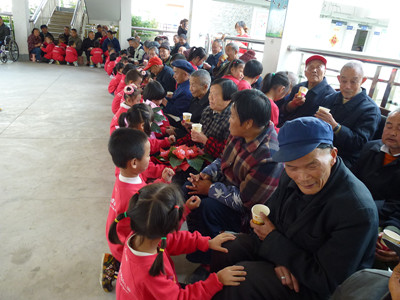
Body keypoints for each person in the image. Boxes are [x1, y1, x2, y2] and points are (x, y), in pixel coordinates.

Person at [210, 116, 378, 300]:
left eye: (312, 165)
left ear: (332, 156)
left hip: (314, 285)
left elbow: (328, 280)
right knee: (226, 245)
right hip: (286, 255)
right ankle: (210, 292)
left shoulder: (356, 209)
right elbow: (268, 223)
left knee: (245, 280)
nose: (302, 177)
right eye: (292, 167)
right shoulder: (288, 175)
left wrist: (280, 256)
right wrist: (278, 259)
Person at [108, 182, 246, 299]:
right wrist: (217, 281)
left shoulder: (138, 234)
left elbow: (172, 240)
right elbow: (180, 298)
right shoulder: (151, 275)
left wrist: (206, 242)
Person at [185, 89, 283, 247]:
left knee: (207, 207)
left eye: (232, 116)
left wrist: (210, 188)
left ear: (248, 123)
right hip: (225, 186)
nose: (229, 120)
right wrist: (206, 175)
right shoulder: (239, 131)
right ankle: (196, 244)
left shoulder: (268, 157)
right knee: (189, 187)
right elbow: (223, 158)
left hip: (244, 213)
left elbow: (246, 203)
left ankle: (210, 258)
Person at [101, 128, 174, 292]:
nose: (150, 158)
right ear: (134, 162)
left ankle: (113, 264)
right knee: (131, 272)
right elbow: (145, 198)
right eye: (148, 155)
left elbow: (144, 190)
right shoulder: (132, 195)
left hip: (115, 235)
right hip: (124, 245)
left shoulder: (126, 178)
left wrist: (162, 180)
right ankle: (113, 268)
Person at [352, 108, 400, 269]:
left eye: (399, 129)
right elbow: (352, 181)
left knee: (381, 246)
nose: (392, 132)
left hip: (387, 219)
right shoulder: (371, 148)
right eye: (389, 125)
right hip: (356, 207)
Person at [316, 60, 381, 167]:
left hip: (345, 158)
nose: (347, 86)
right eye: (344, 80)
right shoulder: (330, 98)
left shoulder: (370, 109)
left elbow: (359, 144)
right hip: (320, 148)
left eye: (353, 81)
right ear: (338, 79)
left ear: (363, 80)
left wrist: (336, 127)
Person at [176, 78, 237, 159]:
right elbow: (198, 134)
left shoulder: (232, 120)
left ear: (228, 98)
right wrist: (175, 144)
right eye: (210, 94)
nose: (210, 98)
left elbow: (225, 153)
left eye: (214, 95)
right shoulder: (208, 110)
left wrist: (205, 140)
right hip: (196, 152)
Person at [279, 55, 335, 126]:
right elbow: (283, 111)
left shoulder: (330, 94)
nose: (314, 70)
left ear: (325, 72)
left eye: (319, 67)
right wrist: (293, 104)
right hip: (287, 127)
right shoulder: (298, 87)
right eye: (311, 67)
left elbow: (321, 123)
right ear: (305, 72)